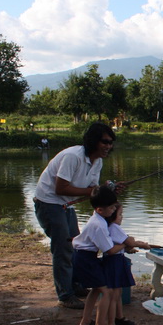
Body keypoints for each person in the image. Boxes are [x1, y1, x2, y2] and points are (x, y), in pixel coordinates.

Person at [33, 123, 123, 309]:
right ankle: (65, 295)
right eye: (105, 142)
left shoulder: (97, 161)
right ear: (93, 141)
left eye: (111, 143)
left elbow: (92, 192)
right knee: (63, 248)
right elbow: (61, 188)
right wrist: (94, 191)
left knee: (77, 245)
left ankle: (75, 285)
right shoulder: (72, 157)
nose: (108, 146)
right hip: (49, 202)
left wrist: (107, 191)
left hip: (66, 205)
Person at [72, 186, 125, 325]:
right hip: (85, 259)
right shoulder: (99, 225)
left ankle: (85, 322)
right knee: (106, 291)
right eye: (112, 207)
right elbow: (109, 250)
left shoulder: (97, 218)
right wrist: (125, 245)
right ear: (100, 209)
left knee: (96, 290)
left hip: (85, 257)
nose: (114, 210)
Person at [104, 203, 150, 325]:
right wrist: (142, 245)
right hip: (114, 262)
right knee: (114, 295)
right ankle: (111, 324)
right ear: (112, 216)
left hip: (116, 259)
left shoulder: (110, 227)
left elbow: (125, 244)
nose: (122, 217)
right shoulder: (114, 227)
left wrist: (129, 247)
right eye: (119, 214)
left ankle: (119, 317)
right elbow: (129, 241)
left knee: (118, 292)